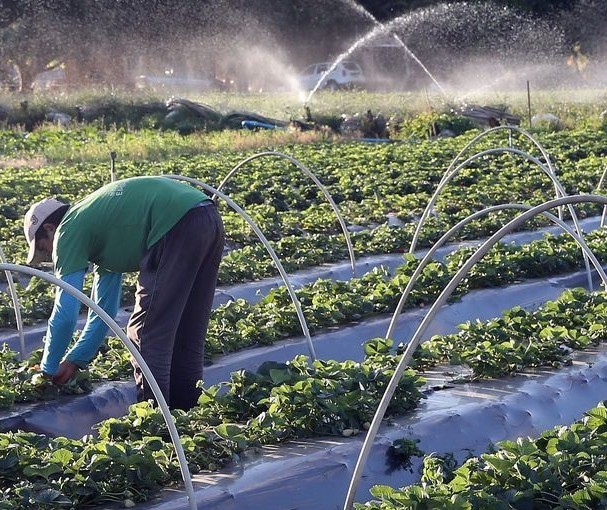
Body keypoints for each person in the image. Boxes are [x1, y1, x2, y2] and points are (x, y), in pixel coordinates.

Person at [23, 176, 225, 410]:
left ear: (49, 229)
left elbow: (66, 311)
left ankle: (157, 421)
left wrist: (48, 369)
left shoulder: (69, 229)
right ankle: (186, 415)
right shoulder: (98, 226)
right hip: (206, 215)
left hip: (174, 223)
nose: (48, 255)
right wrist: (76, 358)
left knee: (145, 333)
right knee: (187, 330)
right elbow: (104, 311)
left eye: (42, 247)